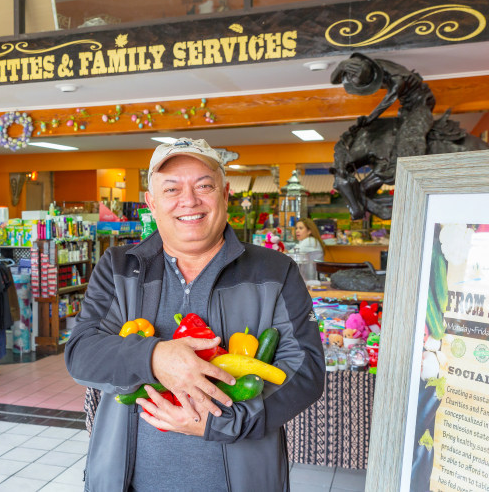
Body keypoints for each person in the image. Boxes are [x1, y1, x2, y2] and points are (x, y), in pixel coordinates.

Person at [65, 138, 325, 491]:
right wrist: (155, 357)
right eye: (172, 188)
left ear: (225, 195)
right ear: (152, 203)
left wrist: (221, 422)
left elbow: (305, 371)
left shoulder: (275, 271)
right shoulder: (118, 268)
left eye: (204, 186)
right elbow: (81, 354)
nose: (189, 200)